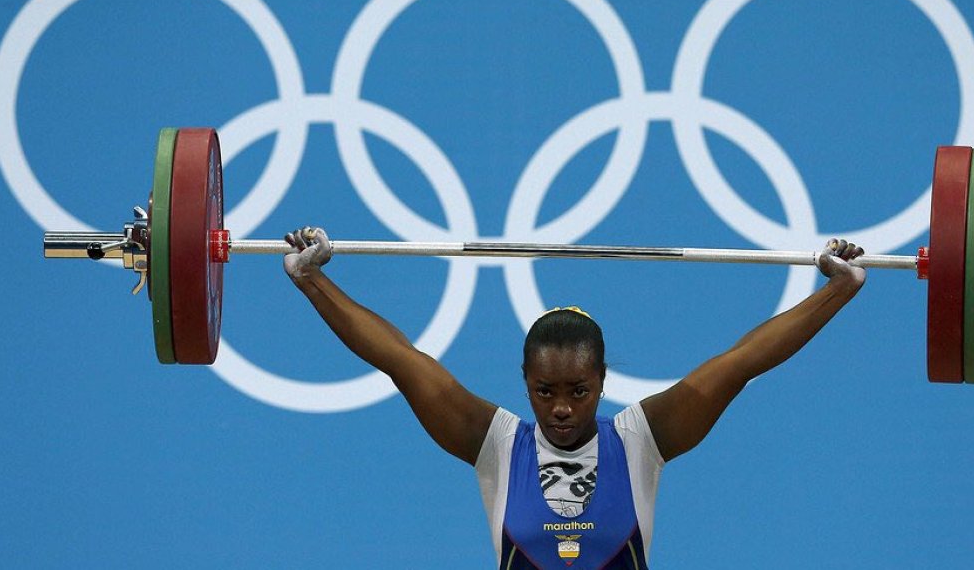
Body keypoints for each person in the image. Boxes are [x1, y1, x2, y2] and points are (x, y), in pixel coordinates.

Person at [284, 227, 866, 569]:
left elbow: (743, 362)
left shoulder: (641, 442)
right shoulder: (496, 444)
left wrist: (837, 292)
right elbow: (399, 360)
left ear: (603, 381)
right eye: (545, 392)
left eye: (578, 391)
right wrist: (313, 281)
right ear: (524, 383)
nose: (561, 408)